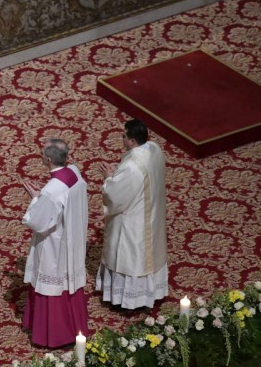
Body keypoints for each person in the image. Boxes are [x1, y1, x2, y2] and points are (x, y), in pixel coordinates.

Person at [20, 139, 89, 347]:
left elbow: (38, 222)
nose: (40, 155)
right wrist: (41, 197)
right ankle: (74, 327)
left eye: (42, 153)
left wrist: (35, 199)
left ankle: (54, 335)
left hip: (55, 245)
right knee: (68, 284)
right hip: (72, 237)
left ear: (49, 159)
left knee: (52, 284)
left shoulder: (51, 191)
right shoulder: (74, 172)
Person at [95, 119, 168, 309]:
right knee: (148, 255)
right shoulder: (154, 149)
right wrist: (119, 173)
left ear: (133, 141)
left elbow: (116, 195)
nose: (122, 139)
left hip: (134, 220)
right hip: (152, 212)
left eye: (124, 136)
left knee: (130, 257)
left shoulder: (132, 167)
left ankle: (126, 300)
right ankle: (148, 293)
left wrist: (109, 178)